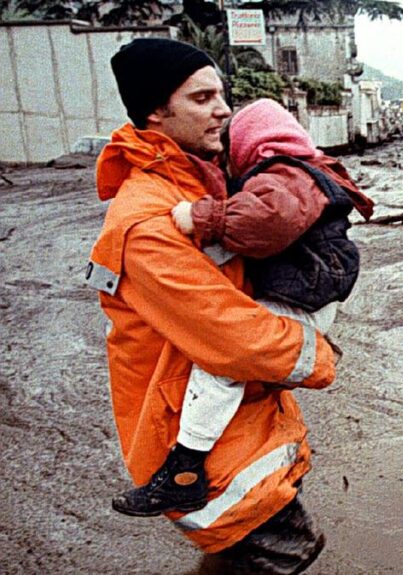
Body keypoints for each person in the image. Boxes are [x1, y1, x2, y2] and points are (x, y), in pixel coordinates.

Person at [87, 38, 336, 574]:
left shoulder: (199, 183)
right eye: (201, 98)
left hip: (235, 425)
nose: (223, 110)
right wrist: (320, 354)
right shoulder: (147, 223)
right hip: (198, 447)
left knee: (255, 559)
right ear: (155, 112)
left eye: (221, 95)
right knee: (282, 556)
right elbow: (233, 336)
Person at [111, 97, 373, 520]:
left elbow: (265, 221)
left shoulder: (286, 176)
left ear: (256, 145)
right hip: (304, 293)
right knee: (231, 363)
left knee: (220, 362)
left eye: (231, 151)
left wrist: (205, 218)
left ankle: (185, 469)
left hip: (303, 297)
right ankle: (191, 470)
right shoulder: (295, 172)